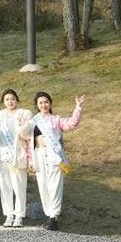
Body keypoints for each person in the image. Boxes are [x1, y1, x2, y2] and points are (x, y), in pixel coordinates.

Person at [29, 92, 85, 231]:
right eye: (41, 102)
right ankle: (48, 216)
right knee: (43, 186)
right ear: (37, 105)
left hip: (53, 155)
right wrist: (30, 160)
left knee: (55, 186)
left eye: (46, 102)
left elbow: (72, 123)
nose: (44, 105)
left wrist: (77, 107)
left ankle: (54, 217)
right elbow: (27, 141)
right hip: (39, 154)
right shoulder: (33, 121)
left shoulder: (56, 119)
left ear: (50, 103)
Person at [0, 89, 34, 227]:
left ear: (17, 100)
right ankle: (9, 214)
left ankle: (19, 215)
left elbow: (28, 134)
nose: (10, 102)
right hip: (3, 155)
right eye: (7, 99)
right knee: (5, 187)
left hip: (18, 155)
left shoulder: (24, 113)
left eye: (12, 99)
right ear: (3, 101)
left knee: (19, 186)